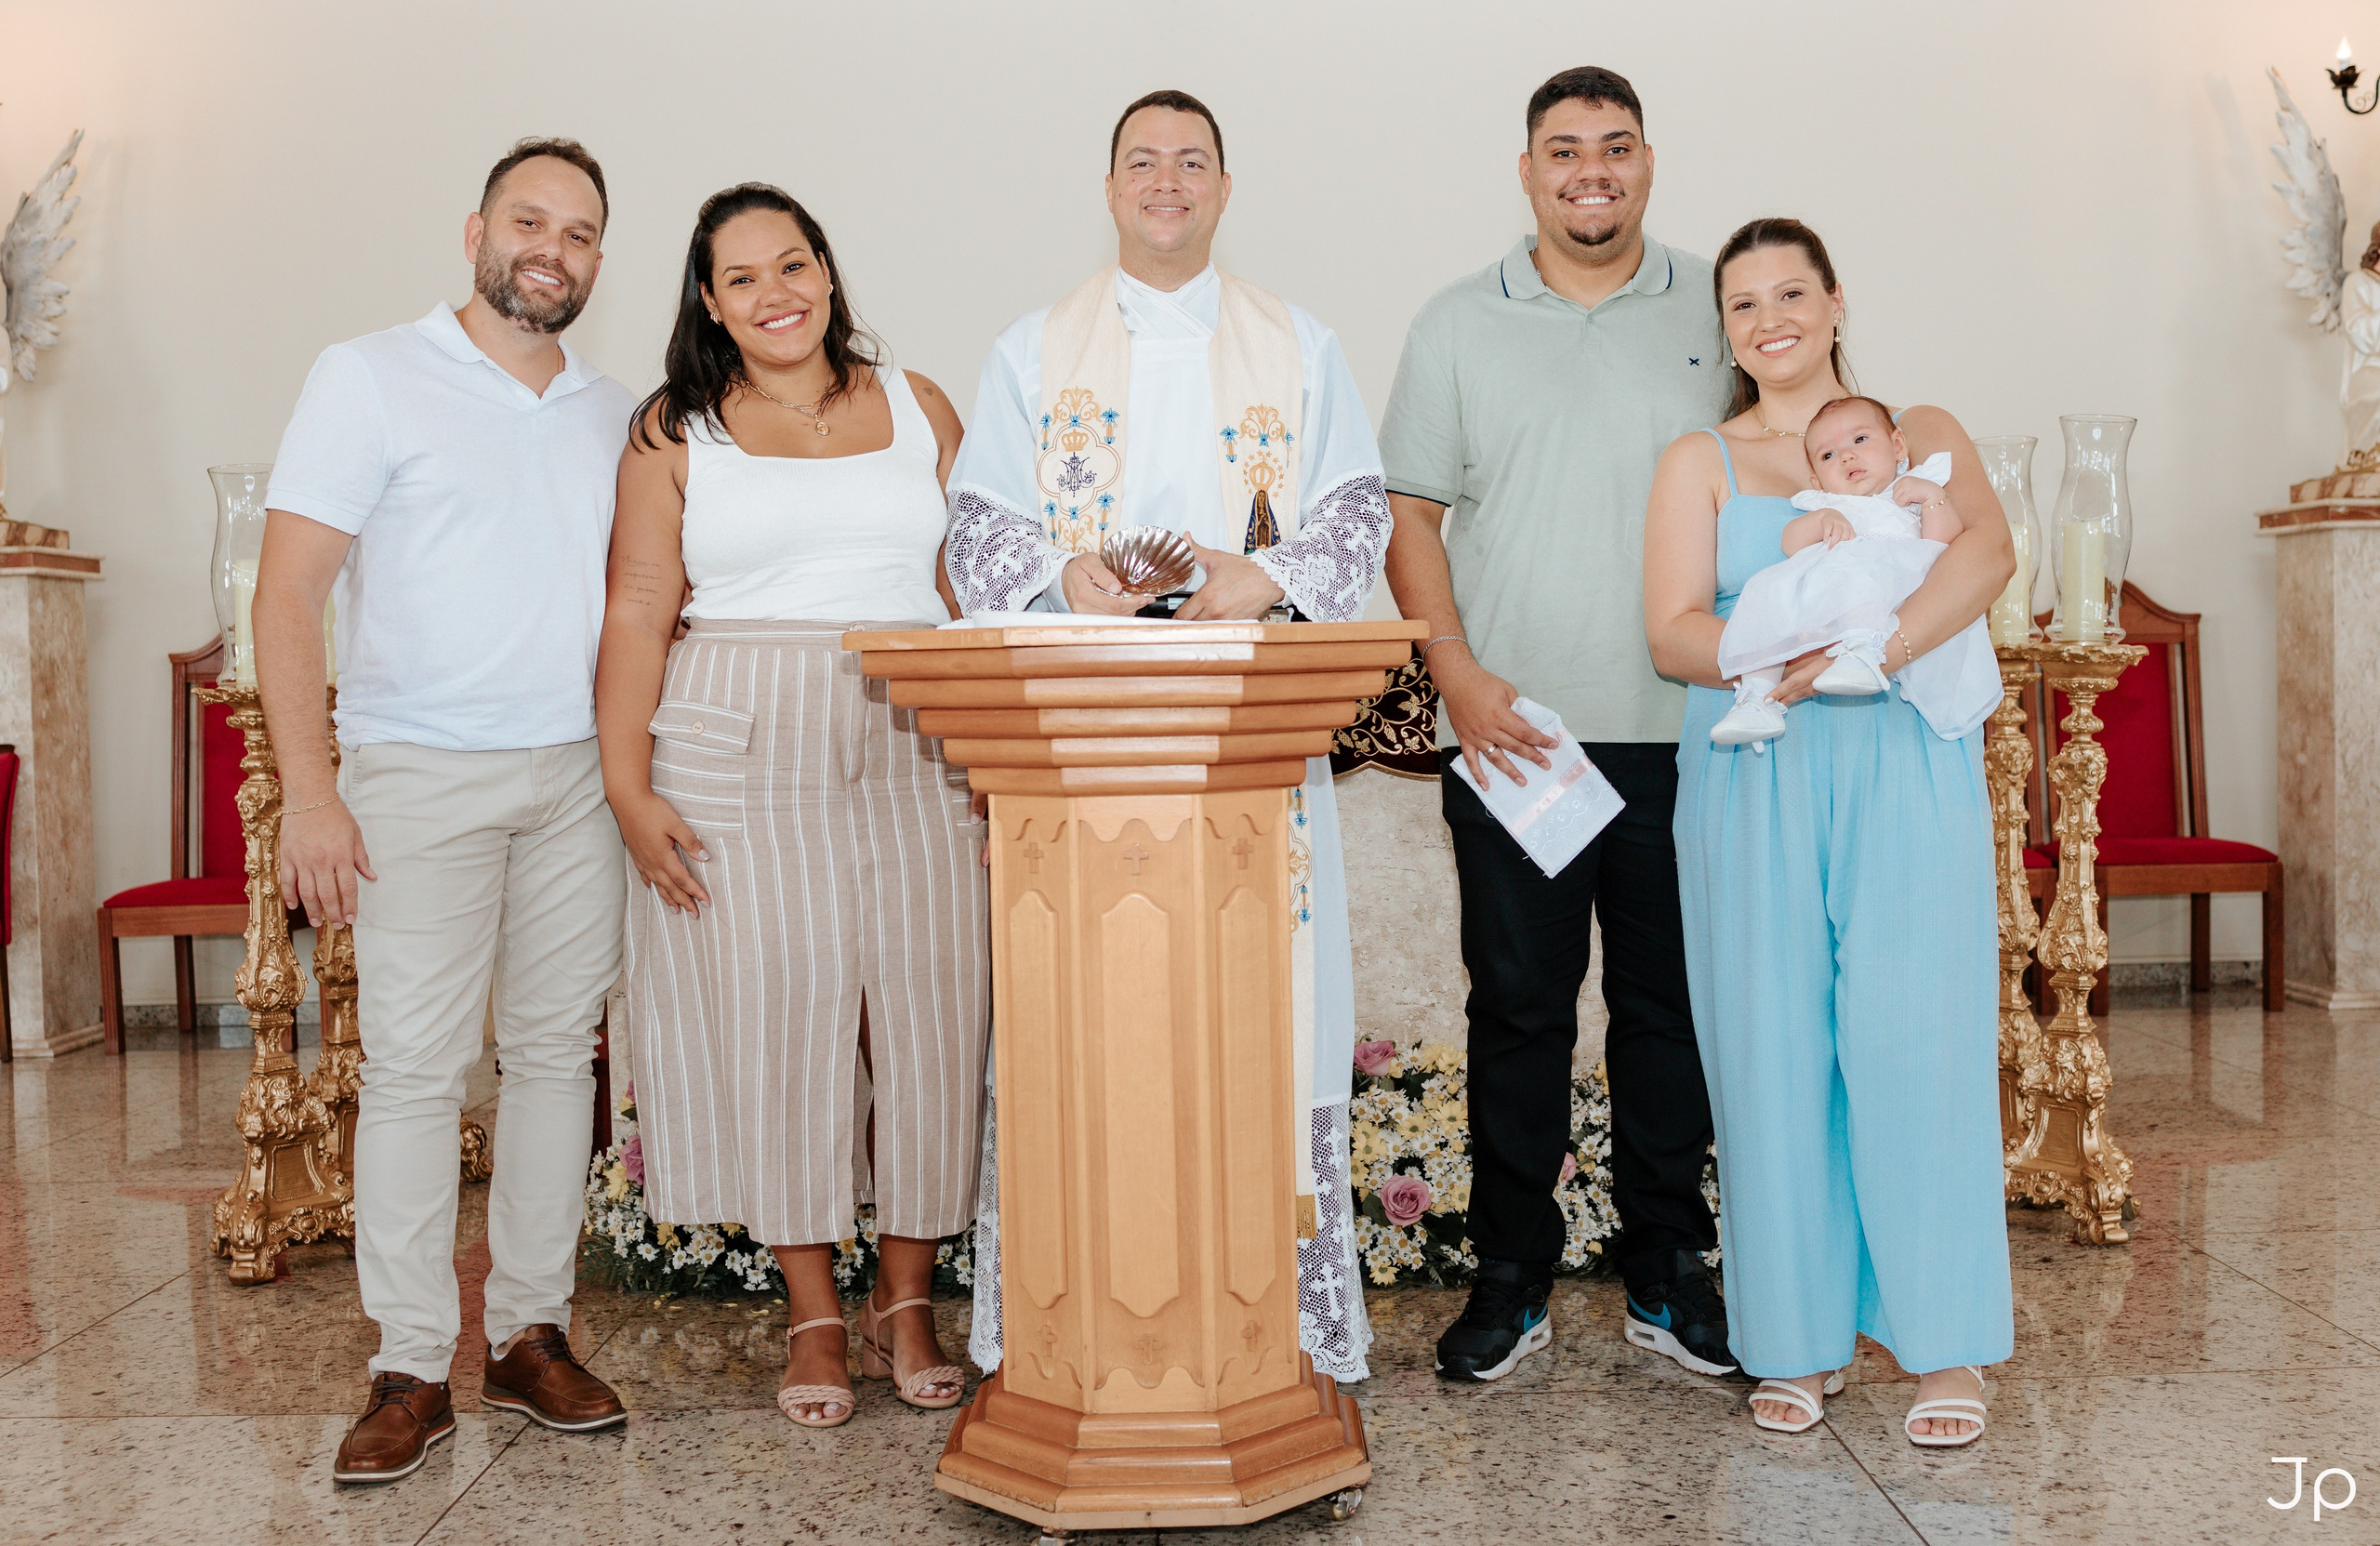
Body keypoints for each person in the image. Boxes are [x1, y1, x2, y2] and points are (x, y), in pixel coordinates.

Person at [942, 87, 1389, 1382]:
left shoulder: (1298, 345)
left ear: (1225, 187)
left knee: (1263, 1022)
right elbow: (975, 523)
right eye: (1144, 161)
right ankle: (1084, 1318)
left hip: (1256, 737)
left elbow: (1358, 510)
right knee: (1099, 1028)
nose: (1167, 180)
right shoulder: (1034, 349)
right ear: (1110, 186)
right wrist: (1066, 576)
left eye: (1192, 161)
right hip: (1085, 745)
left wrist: (1272, 573)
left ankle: (1264, 1331)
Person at [256, 138, 634, 1484]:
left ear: (599, 257)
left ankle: (531, 1330)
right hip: (418, 771)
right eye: (530, 221)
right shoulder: (368, 375)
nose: (553, 248)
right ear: (475, 228)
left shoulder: (615, 409)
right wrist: (313, 791)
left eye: (581, 232)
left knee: (550, 1058)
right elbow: (288, 592)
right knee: (415, 1071)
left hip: (578, 776)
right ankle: (411, 1360)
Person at [595, 183, 987, 1429]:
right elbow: (637, 608)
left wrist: (1002, 751)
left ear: (828, 269)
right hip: (736, 742)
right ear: (711, 302)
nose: (778, 293)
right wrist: (626, 784)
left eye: (795, 263)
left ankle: (908, 1300)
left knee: (935, 1011)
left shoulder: (918, 401)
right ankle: (814, 1308)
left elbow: (976, 585)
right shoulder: (675, 429)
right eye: (745, 277)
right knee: (783, 1019)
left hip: (918, 736)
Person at [1378, 66, 1737, 1382]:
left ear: (1650, 161)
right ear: (1525, 171)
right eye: (1564, 149)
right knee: (1520, 1011)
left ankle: (1669, 1269)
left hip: (1691, 728)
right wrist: (1457, 673)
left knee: (1668, 1011)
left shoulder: (1717, 304)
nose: (1593, 169)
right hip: (1516, 735)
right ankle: (1511, 1275)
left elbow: (1790, 460)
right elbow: (1410, 511)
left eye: (1617, 147)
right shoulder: (1460, 322)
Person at [1642, 216, 2015, 1446]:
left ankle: (1941, 1342)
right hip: (1756, 771)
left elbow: (1988, 555)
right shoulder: (1700, 458)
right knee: (1770, 1047)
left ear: (1837, 299)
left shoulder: (1923, 431)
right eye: (1743, 303)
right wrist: (1786, 657)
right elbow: (1671, 632)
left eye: (1790, 291)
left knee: (1916, 1039)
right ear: (1729, 328)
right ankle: (1793, 1339)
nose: (1769, 318)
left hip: (1904, 752)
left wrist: (1875, 653)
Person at [1708, 395, 1998, 747]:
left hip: (1894, 592)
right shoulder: (1826, 503)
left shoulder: (1910, 493)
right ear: (1817, 481)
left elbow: (1939, 549)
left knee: (1865, 577)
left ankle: (1863, 652)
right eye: (1828, 455)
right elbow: (1790, 542)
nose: (1846, 455)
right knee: (1766, 594)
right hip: (1829, 599)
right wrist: (1821, 521)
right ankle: (1756, 699)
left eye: (1860, 440)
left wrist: (1933, 498)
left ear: (1898, 445)